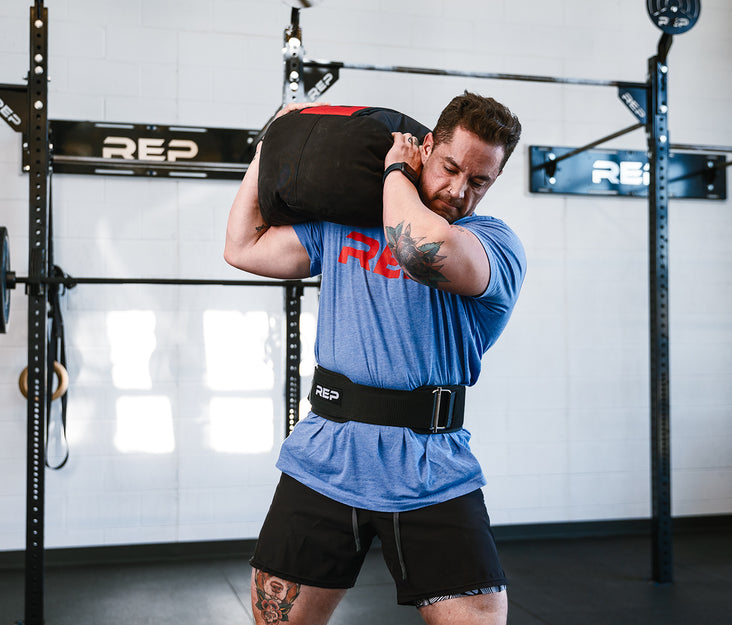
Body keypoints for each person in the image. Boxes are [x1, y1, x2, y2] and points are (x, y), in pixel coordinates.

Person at [224, 91, 525, 625]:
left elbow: (416, 249)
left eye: (479, 181)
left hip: (430, 466)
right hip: (327, 456)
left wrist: (395, 174)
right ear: (426, 147)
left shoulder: (491, 244)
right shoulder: (348, 225)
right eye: (451, 167)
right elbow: (243, 246)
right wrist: (266, 148)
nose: (458, 191)